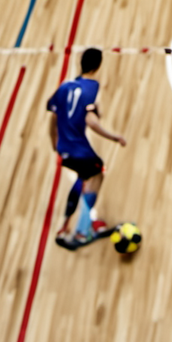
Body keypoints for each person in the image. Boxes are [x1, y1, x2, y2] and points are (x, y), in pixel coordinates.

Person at [47, 47, 126, 249]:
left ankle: (63, 227)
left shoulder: (65, 87)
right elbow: (91, 121)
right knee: (97, 173)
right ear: (98, 65)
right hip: (79, 150)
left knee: (84, 178)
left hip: (64, 149)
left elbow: (53, 117)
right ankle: (82, 231)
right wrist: (114, 136)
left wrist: (54, 143)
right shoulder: (92, 88)